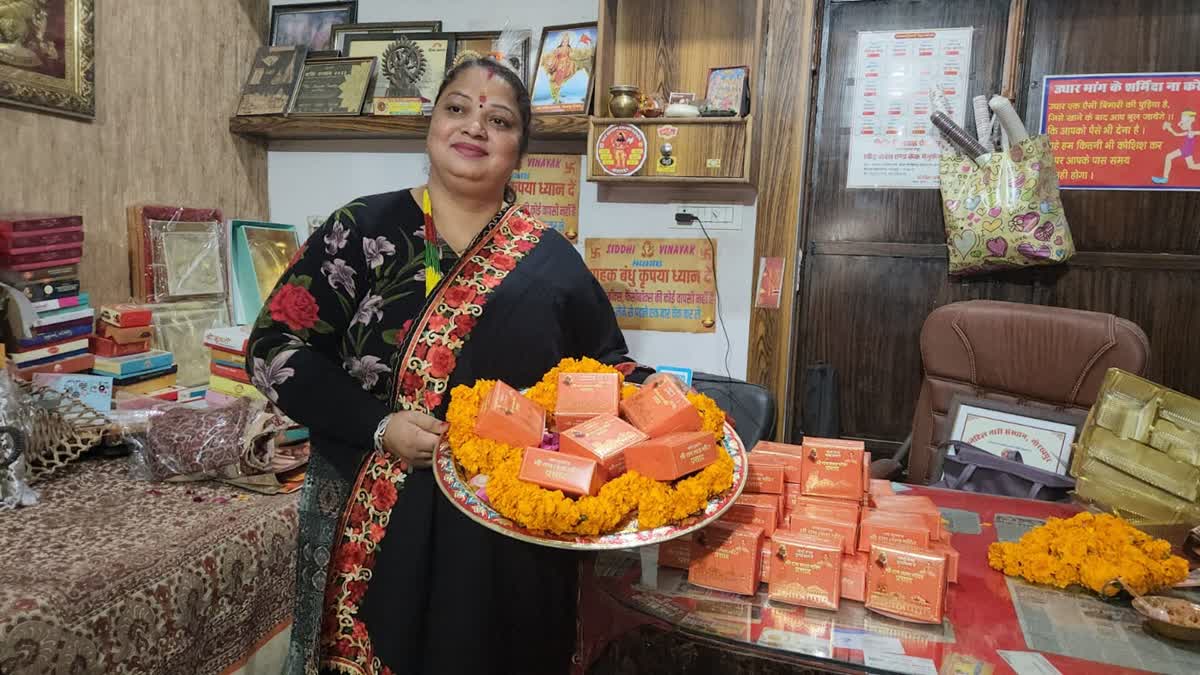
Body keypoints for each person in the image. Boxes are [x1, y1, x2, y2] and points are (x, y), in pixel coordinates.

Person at [248, 56, 635, 675]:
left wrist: (661, 400)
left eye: (499, 120)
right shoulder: (360, 230)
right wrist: (379, 425)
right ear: (431, 125)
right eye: (457, 108)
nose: (474, 127)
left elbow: (606, 369)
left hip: (505, 527)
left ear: (520, 150)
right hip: (373, 508)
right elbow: (274, 350)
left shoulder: (551, 260)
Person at [1152, 110, 1200, 184]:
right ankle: (1165, 179)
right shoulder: (1188, 132)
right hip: (1185, 150)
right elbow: (1176, 134)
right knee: (1191, 166)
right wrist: (1169, 128)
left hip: (1185, 151)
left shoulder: (1191, 132)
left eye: (1184, 121)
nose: (1181, 124)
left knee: (1169, 156)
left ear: (1190, 121)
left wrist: (1175, 126)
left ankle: (1165, 178)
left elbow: (1179, 132)